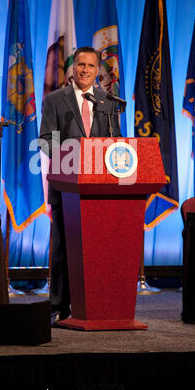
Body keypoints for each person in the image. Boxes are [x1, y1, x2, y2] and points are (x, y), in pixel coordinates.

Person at [39, 46, 121, 324]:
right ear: (73, 68)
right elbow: (46, 140)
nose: (85, 70)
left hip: (100, 190)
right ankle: (58, 308)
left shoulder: (108, 101)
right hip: (66, 188)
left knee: (99, 250)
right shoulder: (55, 100)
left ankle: (98, 306)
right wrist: (74, 157)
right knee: (63, 249)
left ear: (98, 71)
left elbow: (116, 142)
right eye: (80, 65)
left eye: (90, 66)